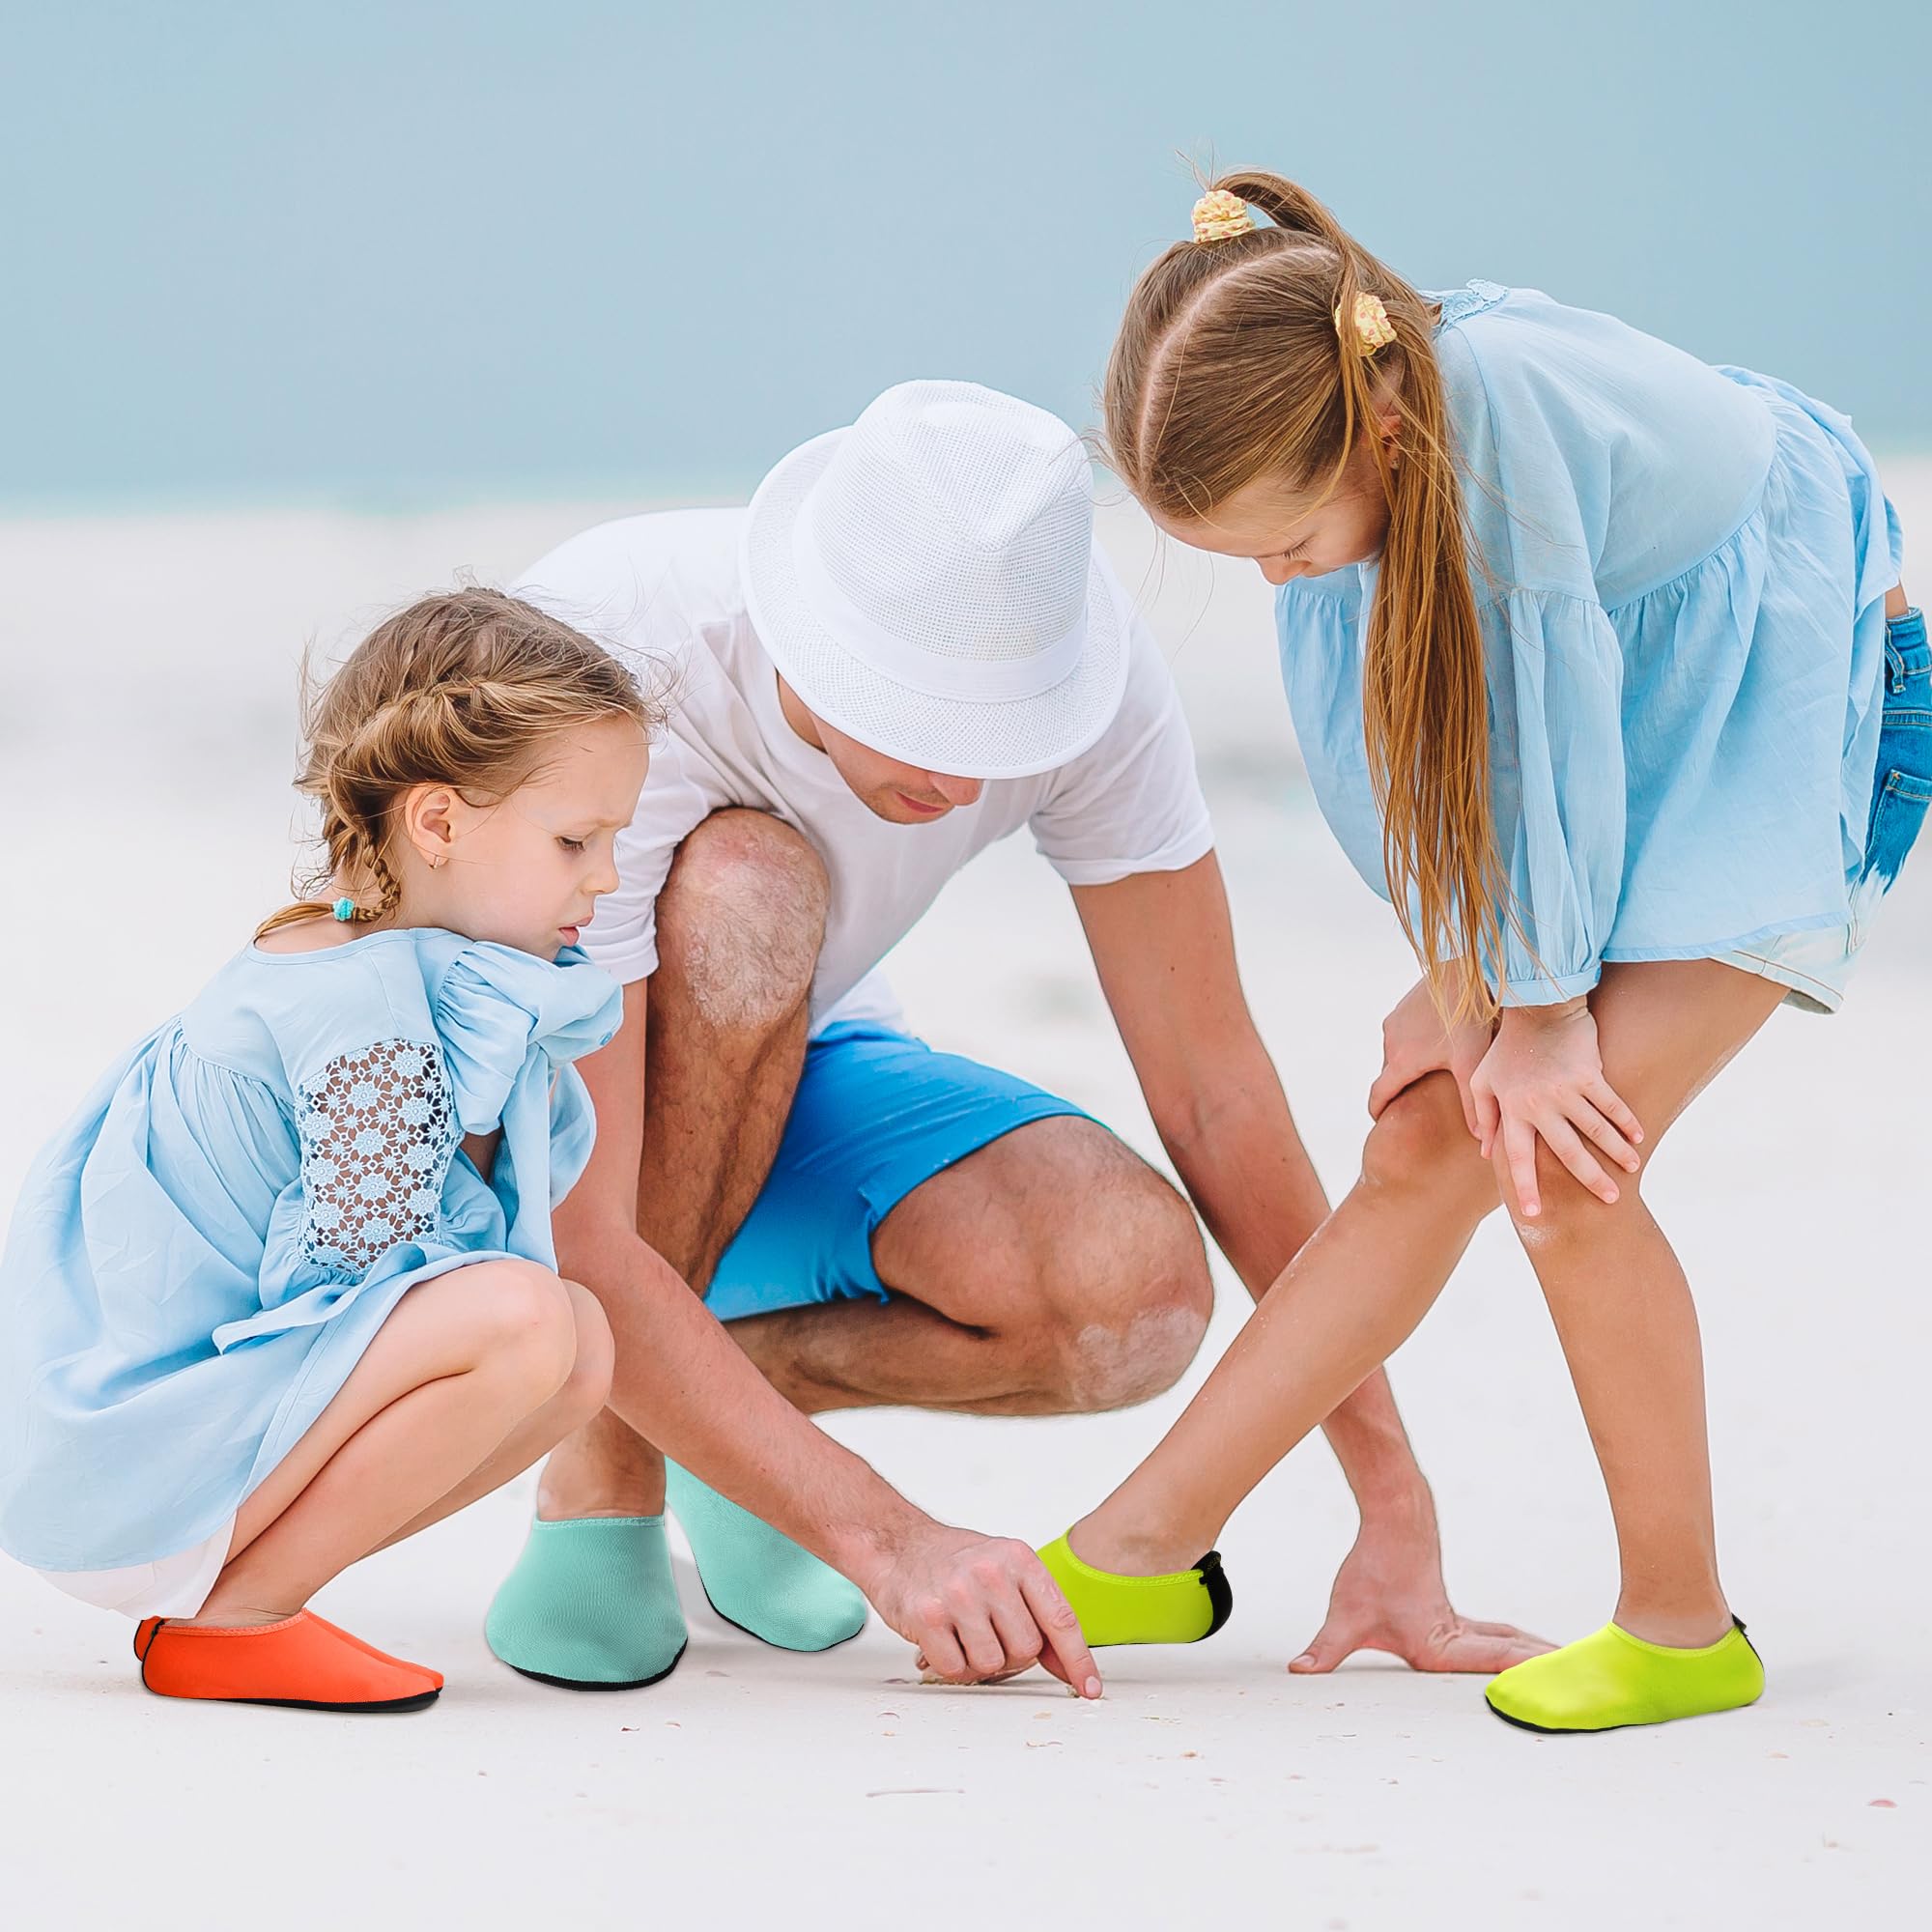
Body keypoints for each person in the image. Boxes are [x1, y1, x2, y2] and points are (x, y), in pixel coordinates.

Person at [482, 379, 1544, 1694]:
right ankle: (602, 1481)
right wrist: (889, 1538)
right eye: (924, 724)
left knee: (1133, 1295)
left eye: (998, 732)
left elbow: (1215, 1092)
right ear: (808, 639)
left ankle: (723, 1423)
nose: (963, 781)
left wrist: (1390, 1499)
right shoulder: (617, 671)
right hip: (505, 1137)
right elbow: (584, 1230)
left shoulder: (1087, 671)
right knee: (752, 888)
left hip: (778, 1075)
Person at [1032, 173, 1924, 1733]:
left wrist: (1541, 1011)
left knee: (1557, 1159)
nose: (1276, 576)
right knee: (1425, 1138)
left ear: (1374, 430)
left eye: (1286, 540)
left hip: (1789, 699)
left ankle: (1682, 1626)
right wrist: (1464, 980)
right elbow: (1393, 749)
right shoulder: (1363, 470)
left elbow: (1548, 714)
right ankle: (1143, 1551)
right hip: (1637, 729)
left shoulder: (1491, 421)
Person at [0, 590, 656, 1712]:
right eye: (574, 840)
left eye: (612, 841)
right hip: (141, 1475)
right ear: (437, 823)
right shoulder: (363, 1016)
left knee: (583, 1345)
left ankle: (229, 1604)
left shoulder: (356, 954)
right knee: (531, 1320)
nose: (604, 876)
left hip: (159, 1465)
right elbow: (355, 1274)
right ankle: (237, 1617)